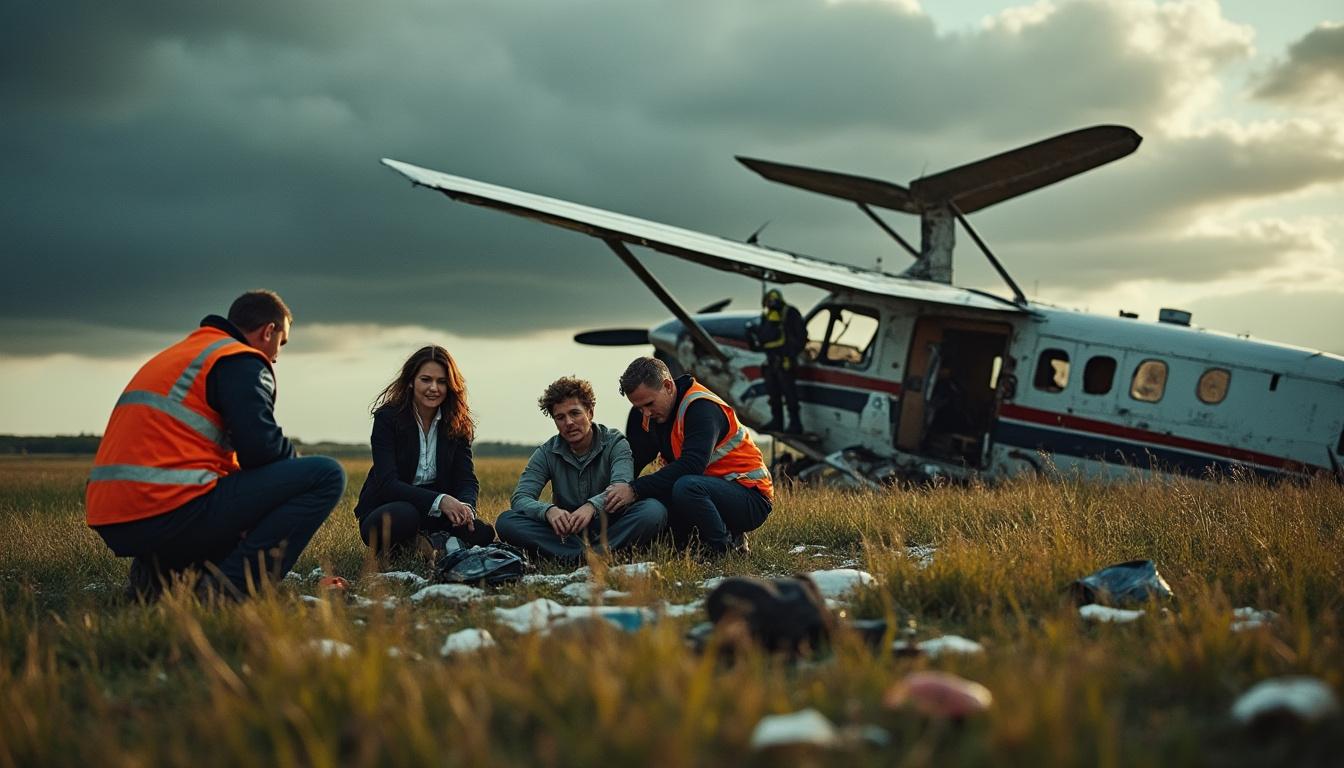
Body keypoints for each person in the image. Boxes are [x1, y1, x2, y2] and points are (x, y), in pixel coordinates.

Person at [87, 290, 346, 601]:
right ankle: (229, 593)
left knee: (236, 499)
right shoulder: (239, 360)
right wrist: (293, 464)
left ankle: (155, 582)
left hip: (116, 515)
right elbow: (260, 449)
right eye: (282, 343)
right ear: (268, 331)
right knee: (326, 474)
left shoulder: (183, 354)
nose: (277, 355)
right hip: (166, 507)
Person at [605, 357, 772, 554]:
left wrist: (634, 489)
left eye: (649, 404)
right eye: (639, 407)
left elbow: (692, 465)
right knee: (655, 504)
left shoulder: (701, 408)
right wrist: (607, 497)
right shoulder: (652, 415)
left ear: (668, 386)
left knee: (686, 486)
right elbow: (635, 462)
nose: (646, 413)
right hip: (707, 494)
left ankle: (725, 549)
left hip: (749, 500)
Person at [496, 377, 667, 562]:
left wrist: (592, 506)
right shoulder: (546, 452)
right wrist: (548, 511)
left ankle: (586, 555)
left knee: (653, 510)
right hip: (567, 532)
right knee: (506, 521)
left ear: (590, 412)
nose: (569, 422)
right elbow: (520, 498)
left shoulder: (616, 443)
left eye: (575, 413)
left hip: (611, 525)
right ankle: (586, 556)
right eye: (560, 417)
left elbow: (622, 486)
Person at [353, 345, 495, 556]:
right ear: (411, 381)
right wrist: (441, 500)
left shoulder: (458, 423)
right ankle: (428, 544)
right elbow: (387, 484)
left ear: (451, 386)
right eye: (426, 379)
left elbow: (466, 479)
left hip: (435, 515)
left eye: (442, 382)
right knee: (405, 515)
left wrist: (465, 508)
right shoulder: (387, 418)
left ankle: (428, 544)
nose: (434, 388)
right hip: (389, 509)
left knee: (482, 533)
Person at [755, 288, 806, 434]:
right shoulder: (767, 316)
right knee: (773, 393)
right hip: (771, 362)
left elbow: (801, 336)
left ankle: (795, 424)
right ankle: (777, 421)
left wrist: (791, 354)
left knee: (790, 394)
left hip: (785, 361)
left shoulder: (790, 313)